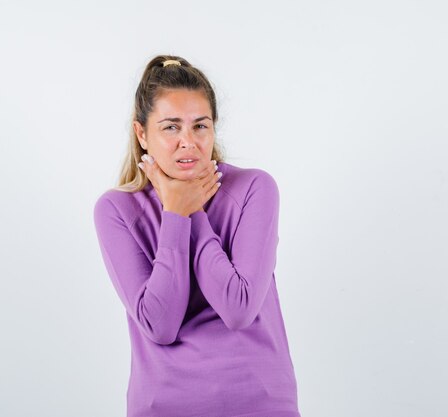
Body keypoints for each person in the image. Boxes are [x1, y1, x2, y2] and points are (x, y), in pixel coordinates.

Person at [93, 55, 301, 417]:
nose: (188, 142)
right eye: (171, 127)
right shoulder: (116, 210)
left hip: (259, 405)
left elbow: (238, 309)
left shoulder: (254, 188)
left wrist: (193, 212)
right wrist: (174, 215)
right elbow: (160, 324)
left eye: (200, 126)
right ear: (142, 133)